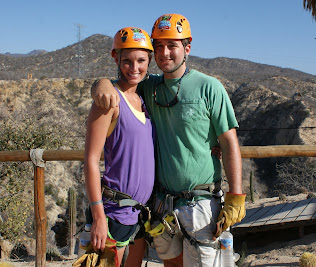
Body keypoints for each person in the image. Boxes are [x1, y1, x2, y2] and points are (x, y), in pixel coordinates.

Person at [92, 14, 246, 267]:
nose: (165, 53)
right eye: (159, 46)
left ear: (187, 47)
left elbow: (229, 142)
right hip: (163, 206)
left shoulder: (210, 88)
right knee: (171, 264)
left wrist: (236, 196)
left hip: (201, 204)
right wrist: (101, 84)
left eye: (172, 45)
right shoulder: (149, 87)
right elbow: (123, 81)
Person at [84, 26, 155, 266]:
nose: (134, 68)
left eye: (141, 61)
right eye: (127, 61)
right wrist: (98, 217)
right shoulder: (109, 101)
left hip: (139, 216)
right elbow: (91, 159)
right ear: (116, 58)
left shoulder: (143, 99)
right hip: (114, 214)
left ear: (149, 60)